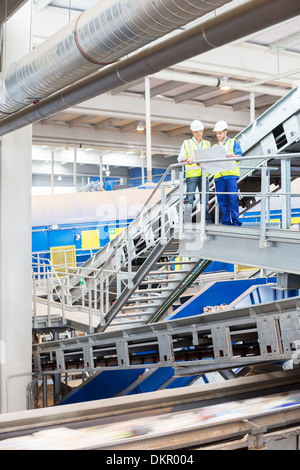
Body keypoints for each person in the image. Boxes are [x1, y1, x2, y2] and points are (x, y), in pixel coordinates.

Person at [178, 119, 212, 225]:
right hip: (192, 176)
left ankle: (206, 221)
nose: (200, 134)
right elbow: (180, 158)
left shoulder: (207, 144)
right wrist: (187, 159)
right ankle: (186, 221)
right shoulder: (187, 143)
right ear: (193, 132)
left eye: (201, 131)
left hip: (203, 174)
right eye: (197, 132)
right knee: (190, 199)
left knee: (205, 199)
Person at [213, 120, 243, 226]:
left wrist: (232, 156)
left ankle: (235, 221)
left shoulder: (234, 142)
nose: (218, 135)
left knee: (233, 198)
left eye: (220, 133)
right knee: (222, 200)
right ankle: (226, 222)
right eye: (217, 133)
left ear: (225, 132)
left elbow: (240, 156)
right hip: (219, 176)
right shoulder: (215, 146)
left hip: (230, 175)